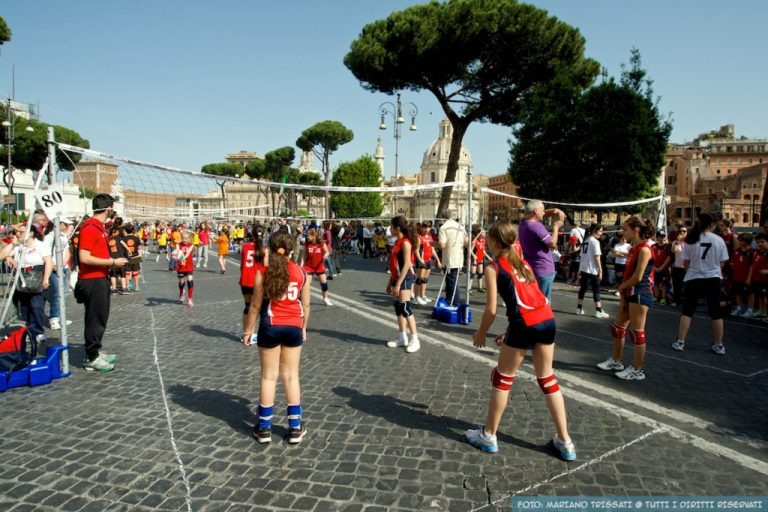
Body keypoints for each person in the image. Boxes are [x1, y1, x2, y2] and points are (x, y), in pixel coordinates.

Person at [466, 222, 575, 460]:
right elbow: (530, 297)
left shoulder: (493, 267)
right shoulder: (522, 262)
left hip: (524, 324)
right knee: (547, 379)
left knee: (502, 378)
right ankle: (565, 442)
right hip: (546, 320)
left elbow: (491, 309)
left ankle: (488, 435)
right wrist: (509, 331)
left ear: (494, 242)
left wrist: (481, 332)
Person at [244, 232, 311, 445]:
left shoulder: (263, 272)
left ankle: (264, 429)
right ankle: (294, 428)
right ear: (292, 250)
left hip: (270, 325)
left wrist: (248, 331)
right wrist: (304, 327)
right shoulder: (301, 272)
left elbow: (254, 306)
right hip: (293, 325)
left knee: (268, 377)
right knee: (291, 376)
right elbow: (306, 304)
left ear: (270, 250)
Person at [596, 217, 655, 381]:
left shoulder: (645, 249)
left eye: (626, 228)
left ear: (636, 229)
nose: (623, 232)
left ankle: (637, 370)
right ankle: (616, 361)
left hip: (640, 293)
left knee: (637, 333)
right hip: (630, 293)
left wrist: (621, 287)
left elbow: (638, 277)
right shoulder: (633, 249)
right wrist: (623, 295)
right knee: (617, 328)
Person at [74, 194, 128, 372]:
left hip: (99, 278)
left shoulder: (99, 227)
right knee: (95, 320)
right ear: (109, 209)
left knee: (99, 318)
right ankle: (91, 357)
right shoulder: (90, 228)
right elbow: (84, 257)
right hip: (93, 280)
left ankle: (94, 351)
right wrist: (113, 263)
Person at [673, 213, 729, 355]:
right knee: (716, 313)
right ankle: (719, 344)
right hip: (713, 278)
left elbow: (686, 263)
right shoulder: (719, 240)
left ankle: (680, 342)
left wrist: (694, 269)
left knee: (688, 311)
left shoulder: (691, 239)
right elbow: (722, 262)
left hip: (694, 277)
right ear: (712, 224)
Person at [8, 222, 53, 353]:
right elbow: (4, 254)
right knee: (25, 308)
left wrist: (46, 278)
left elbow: (48, 262)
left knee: (37, 305)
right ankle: (30, 328)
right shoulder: (18, 246)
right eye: (17, 232)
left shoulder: (40, 245)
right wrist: (9, 258)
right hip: (22, 276)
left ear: (31, 233)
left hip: (37, 274)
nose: (18, 234)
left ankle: (38, 331)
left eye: (22, 232)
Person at [517, 200, 565, 302]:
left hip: (531, 267)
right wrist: (556, 227)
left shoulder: (523, 223)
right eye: (542, 210)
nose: (544, 212)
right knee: (544, 301)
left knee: (534, 299)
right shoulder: (536, 226)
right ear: (536, 211)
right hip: (543, 268)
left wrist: (553, 210)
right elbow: (552, 244)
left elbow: (533, 214)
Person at [385, 216, 420, 353]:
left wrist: (398, 283)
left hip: (405, 279)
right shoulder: (397, 241)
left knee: (406, 308)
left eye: (391, 226)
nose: (390, 229)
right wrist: (390, 282)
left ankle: (415, 339)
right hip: (396, 278)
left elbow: (406, 265)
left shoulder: (406, 243)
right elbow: (394, 264)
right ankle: (402, 337)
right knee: (398, 309)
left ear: (397, 228)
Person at [240, 226, 267, 345]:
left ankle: (246, 333)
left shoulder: (245, 247)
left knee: (247, 307)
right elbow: (265, 267)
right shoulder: (264, 249)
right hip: (257, 281)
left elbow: (242, 264)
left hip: (245, 280)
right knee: (257, 308)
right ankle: (253, 333)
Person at [575, 224, 609, 318]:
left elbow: (582, 256)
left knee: (583, 288)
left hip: (584, 268)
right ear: (594, 231)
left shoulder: (585, 241)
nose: (601, 233)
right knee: (596, 289)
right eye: (600, 231)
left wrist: (579, 269)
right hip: (593, 269)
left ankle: (579, 308)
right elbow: (597, 256)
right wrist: (600, 270)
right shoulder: (595, 242)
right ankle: (598, 310)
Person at [438, 209, 468, 306]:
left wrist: (433, 244)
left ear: (443, 217)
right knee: (450, 280)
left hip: (449, 258)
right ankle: (449, 300)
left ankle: (455, 302)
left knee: (452, 281)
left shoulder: (443, 228)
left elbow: (442, 245)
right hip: (458, 257)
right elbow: (466, 243)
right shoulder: (461, 227)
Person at [301, 228, 333, 307]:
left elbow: (327, 252)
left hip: (319, 266)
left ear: (314, 235)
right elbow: (304, 255)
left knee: (324, 284)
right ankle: (304, 299)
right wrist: (301, 266)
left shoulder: (321, 242)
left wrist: (325, 255)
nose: (307, 237)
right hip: (309, 266)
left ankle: (325, 298)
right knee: (306, 284)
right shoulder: (307, 243)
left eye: (308, 235)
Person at [413, 222, 441, 305]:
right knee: (419, 279)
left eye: (428, 227)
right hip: (421, 260)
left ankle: (422, 295)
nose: (426, 229)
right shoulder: (419, 237)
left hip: (428, 260)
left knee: (424, 280)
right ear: (422, 228)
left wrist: (438, 260)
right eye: (425, 227)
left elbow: (432, 250)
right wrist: (420, 260)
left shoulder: (430, 237)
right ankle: (416, 297)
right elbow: (416, 250)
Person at [746, 233, 768, 319]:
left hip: (766, 279)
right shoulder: (757, 253)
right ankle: (761, 311)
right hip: (757, 278)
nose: (760, 244)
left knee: (766, 298)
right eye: (758, 242)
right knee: (760, 296)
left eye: (763, 242)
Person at [651, 232, 672, 305]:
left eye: (663, 237)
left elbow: (668, 258)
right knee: (656, 283)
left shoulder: (667, 246)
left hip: (664, 269)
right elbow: (650, 258)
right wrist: (654, 267)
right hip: (655, 268)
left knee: (664, 284)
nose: (662, 238)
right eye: (660, 237)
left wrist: (661, 267)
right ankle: (656, 297)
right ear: (657, 237)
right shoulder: (653, 246)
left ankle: (663, 298)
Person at [176, 231, 196, 306]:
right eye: (183, 238)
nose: (184, 240)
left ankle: (190, 299)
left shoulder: (191, 245)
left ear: (189, 239)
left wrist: (183, 258)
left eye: (186, 239)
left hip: (189, 265)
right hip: (181, 266)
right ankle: (182, 294)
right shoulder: (178, 245)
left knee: (190, 281)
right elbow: (178, 252)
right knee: (181, 282)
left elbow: (188, 253)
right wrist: (181, 259)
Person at [670, 227, 687, 307]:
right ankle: (676, 301)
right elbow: (674, 250)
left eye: (684, 231)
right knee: (676, 285)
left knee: (685, 286)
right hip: (677, 267)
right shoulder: (675, 242)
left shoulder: (689, 243)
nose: (682, 232)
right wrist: (677, 241)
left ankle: (685, 301)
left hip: (686, 268)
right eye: (680, 231)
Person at [469, 226, 487, 294]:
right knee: (472, 274)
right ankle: (469, 289)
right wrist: (473, 255)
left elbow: (483, 250)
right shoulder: (475, 241)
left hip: (480, 259)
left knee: (480, 274)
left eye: (485, 232)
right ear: (480, 233)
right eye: (483, 232)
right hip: (474, 259)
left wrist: (488, 257)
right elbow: (470, 249)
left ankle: (480, 288)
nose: (485, 233)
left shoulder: (483, 241)